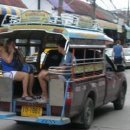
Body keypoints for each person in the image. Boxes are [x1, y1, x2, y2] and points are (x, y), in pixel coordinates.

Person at [38, 38, 74, 103]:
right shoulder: (66, 55)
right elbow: (60, 68)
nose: (57, 49)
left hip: (65, 77)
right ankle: (44, 95)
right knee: (43, 74)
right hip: (63, 76)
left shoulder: (67, 56)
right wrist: (50, 71)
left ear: (61, 47)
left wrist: (48, 71)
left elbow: (62, 70)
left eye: (58, 47)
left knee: (41, 75)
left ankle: (45, 97)